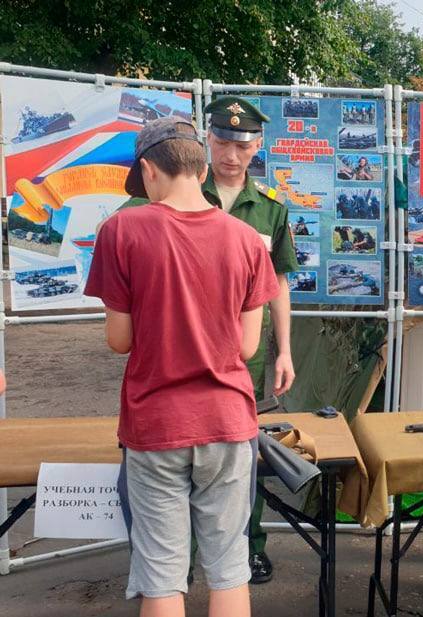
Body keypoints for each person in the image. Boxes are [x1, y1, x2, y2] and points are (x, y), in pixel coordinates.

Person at [85, 117, 279, 617]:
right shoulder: (246, 239)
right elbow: (248, 347)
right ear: (198, 163)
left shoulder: (120, 230)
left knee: (163, 576)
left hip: (156, 423)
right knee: (230, 569)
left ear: (149, 170)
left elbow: (118, 341)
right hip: (228, 421)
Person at [119, 96, 299, 583]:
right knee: (189, 466)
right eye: (221, 141)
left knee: (240, 460)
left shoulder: (270, 210)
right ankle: (188, 559)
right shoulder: (149, 201)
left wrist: (283, 349)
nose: (231, 154)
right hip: (167, 361)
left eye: (241, 144)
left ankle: (248, 546)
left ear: (257, 146)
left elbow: (277, 282)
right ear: (205, 145)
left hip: (241, 359)